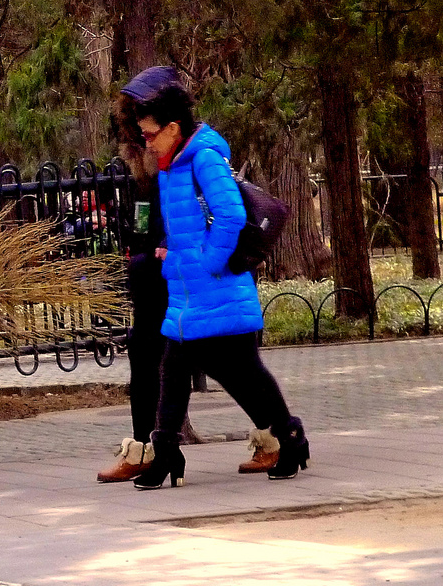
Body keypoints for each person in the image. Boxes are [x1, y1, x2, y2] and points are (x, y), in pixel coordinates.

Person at [124, 70, 310, 489]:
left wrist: (207, 261)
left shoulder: (203, 158)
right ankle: (167, 451)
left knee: (247, 373)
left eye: (151, 134)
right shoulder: (173, 165)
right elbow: (189, 225)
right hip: (190, 290)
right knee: (173, 370)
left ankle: (290, 436)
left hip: (217, 285)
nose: (147, 142)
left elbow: (231, 215)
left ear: (173, 128)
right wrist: (175, 255)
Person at [96, 72, 171, 482]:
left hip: (188, 279)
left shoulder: (189, 161)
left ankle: (279, 434)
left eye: (149, 127)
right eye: (136, 128)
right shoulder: (145, 173)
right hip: (152, 279)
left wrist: (166, 246)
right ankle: (147, 448)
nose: (144, 137)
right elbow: (144, 222)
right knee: (145, 357)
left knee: (233, 364)